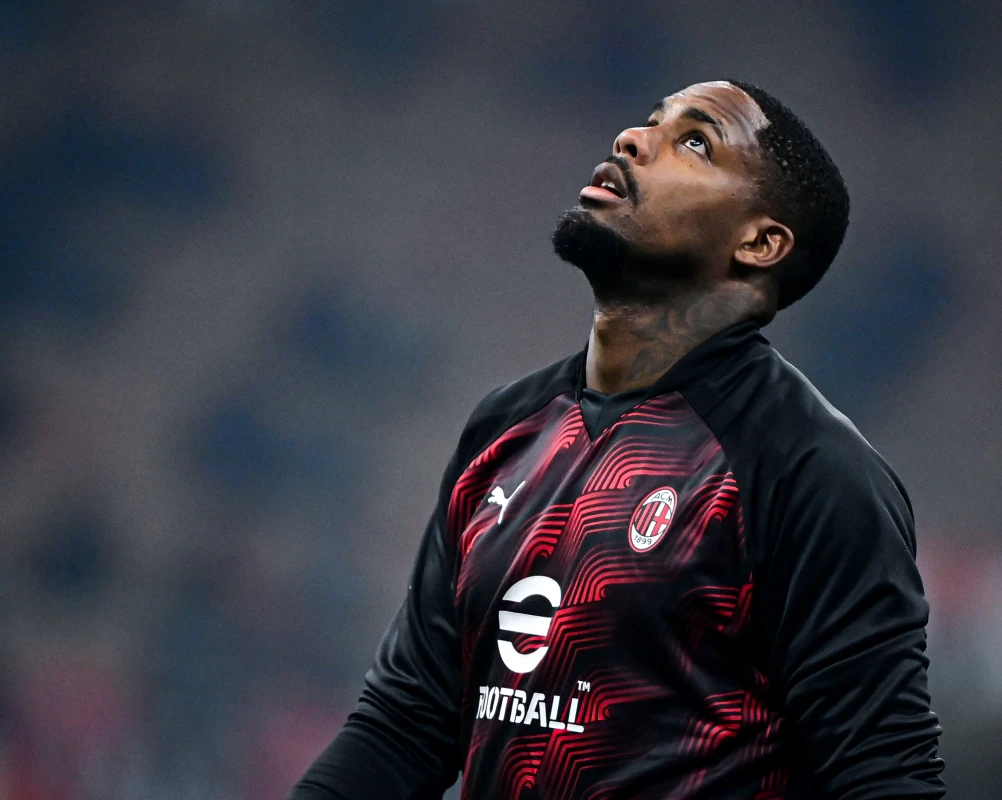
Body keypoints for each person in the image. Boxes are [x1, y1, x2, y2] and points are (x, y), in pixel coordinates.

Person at [292, 80, 944, 799]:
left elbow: (883, 778)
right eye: (649, 121)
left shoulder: (808, 471)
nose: (632, 140)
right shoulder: (504, 429)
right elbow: (406, 723)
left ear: (759, 242)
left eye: (695, 142)